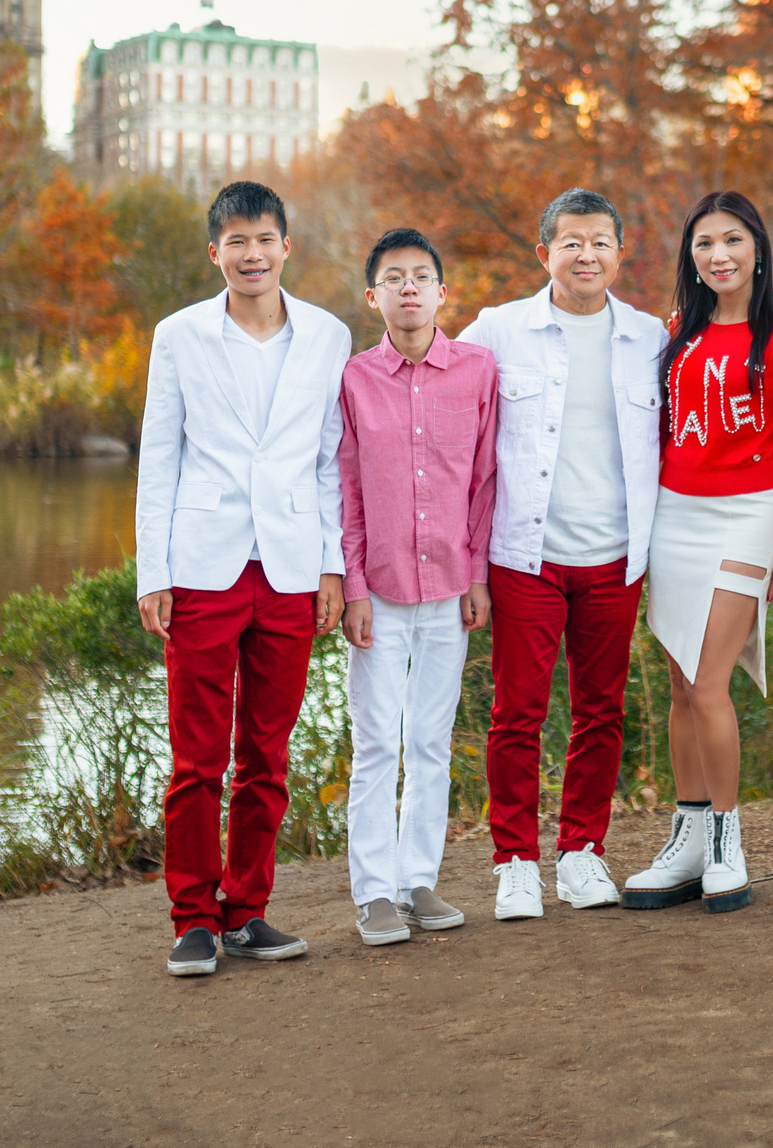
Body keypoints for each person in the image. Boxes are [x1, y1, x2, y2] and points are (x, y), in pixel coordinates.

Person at [134, 181, 353, 977]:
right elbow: (159, 456)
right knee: (197, 759)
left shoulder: (328, 335)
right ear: (216, 254)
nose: (252, 254)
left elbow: (331, 458)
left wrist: (333, 564)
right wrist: (152, 571)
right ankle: (193, 918)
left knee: (268, 753)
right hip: (203, 564)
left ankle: (247, 911)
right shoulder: (180, 335)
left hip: (291, 566)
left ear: (285, 246)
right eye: (236, 242)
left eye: (265, 239)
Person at [457, 188, 666, 921]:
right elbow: (452, 423)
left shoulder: (649, 339)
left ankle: (582, 852)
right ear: (544, 253)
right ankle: (514, 861)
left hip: (615, 555)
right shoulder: (497, 331)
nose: (586, 254)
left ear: (619, 252)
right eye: (571, 242)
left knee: (601, 711)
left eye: (600, 242)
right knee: (517, 712)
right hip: (525, 554)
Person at [620, 192, 773, 914]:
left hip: (749, 514)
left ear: (756, 248)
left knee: (709, 683)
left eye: (732, 240)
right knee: (679, 686)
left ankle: (730, 840)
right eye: (704, 244)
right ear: (691, 258)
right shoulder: (680, 331)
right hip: (676, 513)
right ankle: (689, 836)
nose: (719, 255)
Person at [336, 228, 499, 948]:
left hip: (451, 588)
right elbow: (343, 487)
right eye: (394, 278)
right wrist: (351, 587)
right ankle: (373, 892)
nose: (409, 287)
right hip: (378, 588)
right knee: (375, 742)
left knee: (431, 740)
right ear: (373, 297)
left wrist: (480, 577)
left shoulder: (477, 370)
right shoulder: (352, 380)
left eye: (421, 276)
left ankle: (418, 881)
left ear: (442, 292)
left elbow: (486, 482)